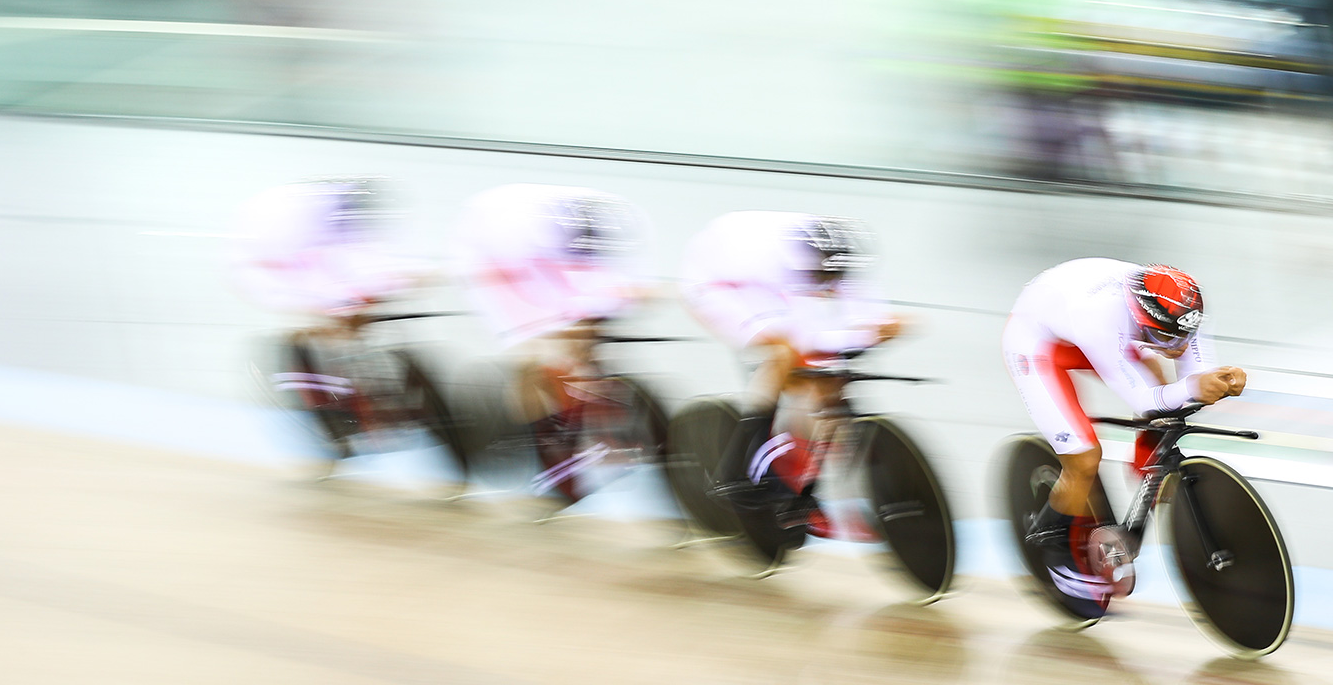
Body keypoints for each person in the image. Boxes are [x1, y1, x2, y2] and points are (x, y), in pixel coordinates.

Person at [1003, 258, 1247, 614]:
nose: (1178, 345)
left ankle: (1147, 470)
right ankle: (1051, 540)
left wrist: (1218, 381)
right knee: (1084, 458)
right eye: (1166, 336)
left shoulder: (1182, 311)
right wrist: (1194, 386)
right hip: (1036, 344)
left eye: (1184, 335)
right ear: (1142, 317)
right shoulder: (1099, 319)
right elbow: (1143, 399)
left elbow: (1195, 370)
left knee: (1166, 398)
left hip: (1077, 321)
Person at [679, 211, 903, 520]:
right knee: (785, 352)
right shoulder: (771, 266)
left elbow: (868, 315)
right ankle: (736, 468)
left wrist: (880, 328)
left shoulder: (836, 260)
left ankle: (801, 470)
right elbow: (798, 330)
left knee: (824, 367)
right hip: (717, 284)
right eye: (821, 279)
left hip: (767, 273)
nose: (828, 285)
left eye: (832, 280)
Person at [455, 182, 653, 500]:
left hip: (544, 254)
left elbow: (601, 281)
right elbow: (531, 293)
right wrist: (547, 329)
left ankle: (584, 405)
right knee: (535, 347)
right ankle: (544, 438)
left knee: (589, 323)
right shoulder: (515, 238)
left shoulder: (600, 229)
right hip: (501, 264)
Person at [230, 179, 421, 452]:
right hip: (273, 261)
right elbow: (296, 279)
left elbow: (372, 261)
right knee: (330, 315)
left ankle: (360, 388)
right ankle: (325, 402)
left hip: (310, 248)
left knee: (355, 308)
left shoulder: (344, 220)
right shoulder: (285, 229)